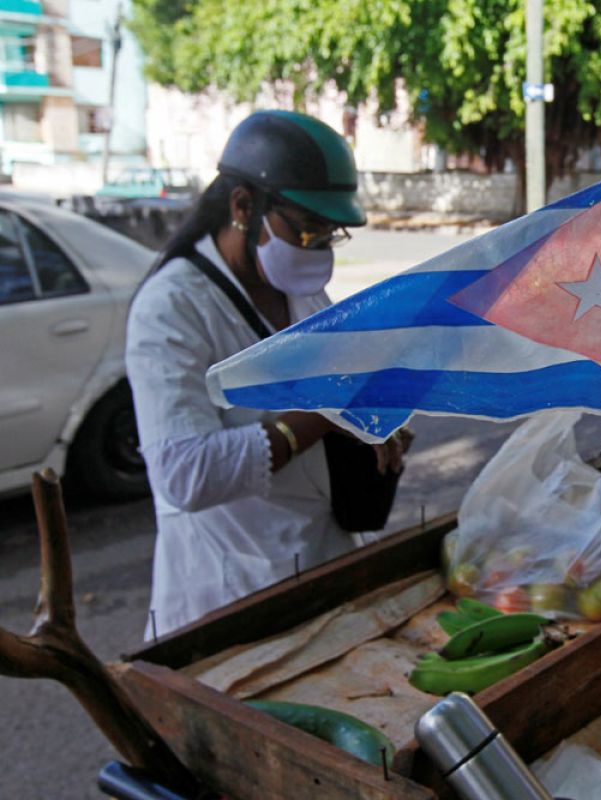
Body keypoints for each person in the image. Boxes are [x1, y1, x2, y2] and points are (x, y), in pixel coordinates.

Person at [126, 110, 410, 637]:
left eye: (330, 233)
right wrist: (324, 413)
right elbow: (184, 474)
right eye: (306, 228)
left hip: (319, 554)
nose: (318, 246)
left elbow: (336, 378)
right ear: (242, 206)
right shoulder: (171, 308)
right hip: (231, 585)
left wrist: (373, 418)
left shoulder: (296, 286)